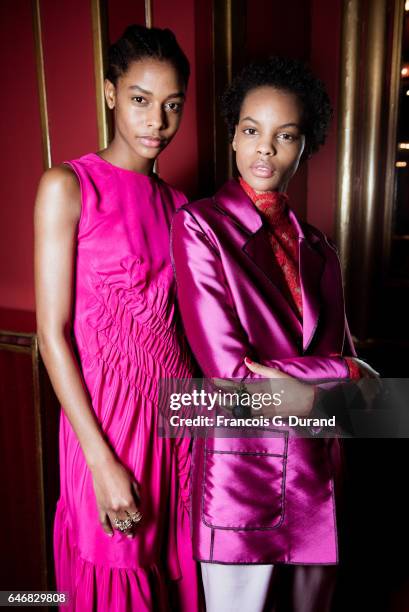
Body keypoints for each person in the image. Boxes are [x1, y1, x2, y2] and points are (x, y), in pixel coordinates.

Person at [171, 56, 377, 611]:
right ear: (233, 137)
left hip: (316, 475)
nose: (266, 149)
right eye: (251, 131)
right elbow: (231, 374)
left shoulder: (320, 248)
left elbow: (367, 389)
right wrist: (340, 376)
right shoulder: (200, 226)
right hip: (244, 473)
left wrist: (341, 377)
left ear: (304, 146)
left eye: (285, 136)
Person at [34, 24, 201, 612]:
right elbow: (50, 334)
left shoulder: (181, 207)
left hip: (174, 422)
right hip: (104, 427)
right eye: (139, 99)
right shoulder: (67, 187)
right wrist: (101, 462)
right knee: (113, 575)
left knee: (168, 577)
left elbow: (185, 331)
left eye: (171, 105)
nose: (157, 120)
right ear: (110, 93)